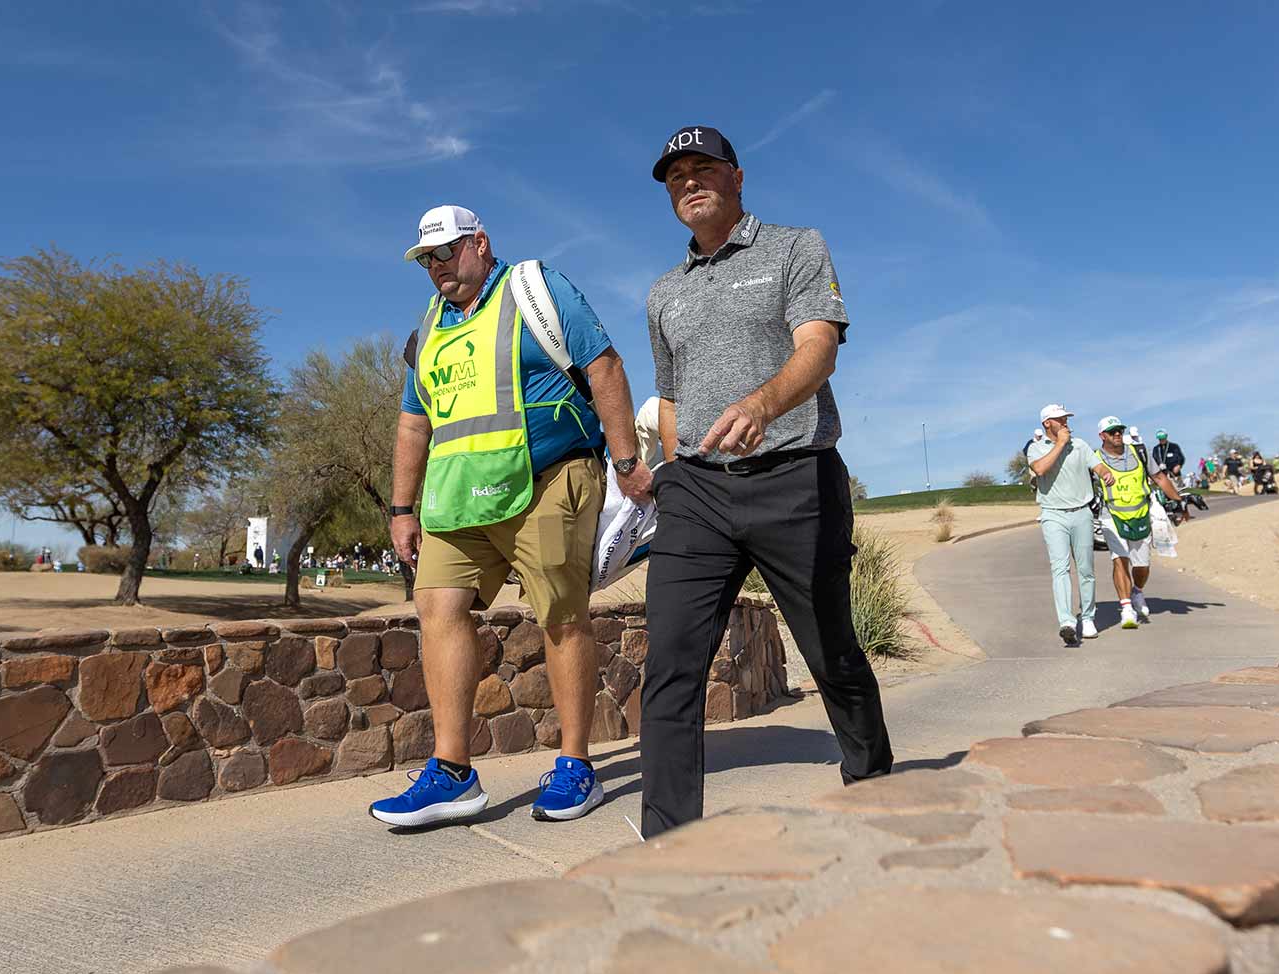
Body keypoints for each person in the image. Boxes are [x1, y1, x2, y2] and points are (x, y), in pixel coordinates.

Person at [639, 126, 893, 836]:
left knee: (833, 653)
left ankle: (878, 795)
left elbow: (820, 349)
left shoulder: (794, 248)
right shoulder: (663, 293)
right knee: (671, 666)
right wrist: (670, 470)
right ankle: (667, 846)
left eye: (703, 168)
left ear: (737, 176)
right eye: (674, 175)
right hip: (697, 493)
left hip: (795, 477)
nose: (688, 181)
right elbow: (669, 394)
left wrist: (761, 403)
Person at [374, 204, 651, 828]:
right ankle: (452, 773)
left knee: (560, 613)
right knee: (438, 609)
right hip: (458, 496)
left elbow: (604, 366)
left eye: (446, 251)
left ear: (480, 243)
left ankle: (575, 767)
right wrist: (401, 508)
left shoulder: (535, 290)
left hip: (550, 480)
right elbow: (414, 421)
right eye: (426, 259)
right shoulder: (429, 330)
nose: (438, 267)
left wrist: (628, 461)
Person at [1092, 417, 1182, 630]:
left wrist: (1179, 501)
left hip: (1140, 514)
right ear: (1102, 435)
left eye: (1119, 430)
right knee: (1120, 559)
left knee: (1141, 566)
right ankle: (1126, 609)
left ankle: (1137, 591)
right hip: (1111, 515)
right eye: (1112, 431)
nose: (1117, 434)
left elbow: (1159, 478)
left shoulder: (1138, 452)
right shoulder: (1094, 459)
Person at [1026, 404, 1100, 646]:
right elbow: (1039, 469)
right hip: (1053, 514)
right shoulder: (1035, 448)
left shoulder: (1080, 445)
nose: (1065, 422)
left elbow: (1096, 465)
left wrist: (1105, 472)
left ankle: (1088, 618)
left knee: (1086, 568)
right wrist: (1059, 444)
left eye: (1066, 418)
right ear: (1047, 423)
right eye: (1060, 419)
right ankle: (1067, 622)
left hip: (1082, 512)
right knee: (1060, 568)